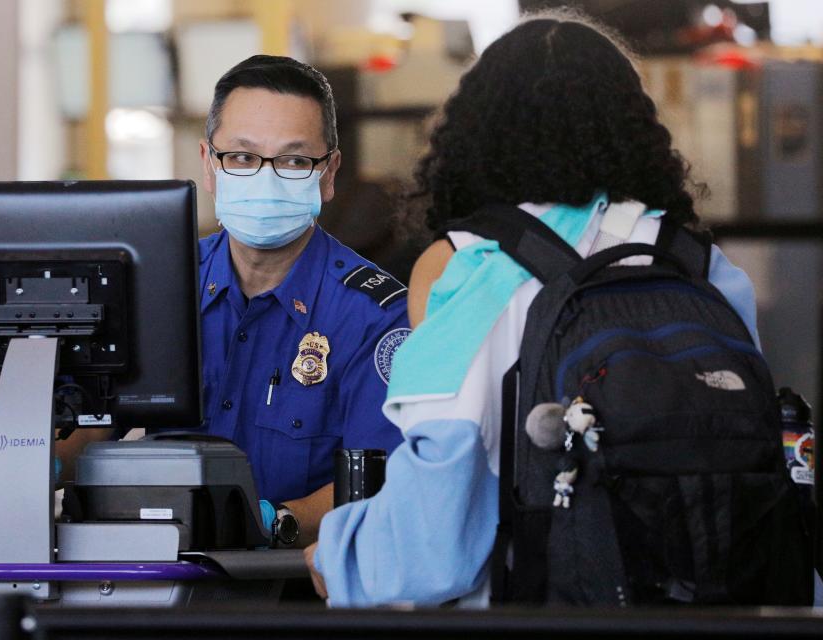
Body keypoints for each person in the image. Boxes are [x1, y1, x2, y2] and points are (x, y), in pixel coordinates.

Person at [305, 13, 763, 606]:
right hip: (729, 610)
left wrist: (340, 556)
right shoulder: (704, 268)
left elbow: (433, 542)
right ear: (634, 129)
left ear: (475, 131)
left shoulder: (465, 272)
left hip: (542, 613)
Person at [191, 55, 410, 546]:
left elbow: (383, 478)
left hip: (295, 591)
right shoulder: (160, 287)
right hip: (146, 580)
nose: (265, 179)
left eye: (293, 160)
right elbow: (88, 429)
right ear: (209, 164)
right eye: (243, 158)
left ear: (328, 173)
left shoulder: (374, 316)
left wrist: (265, 522)